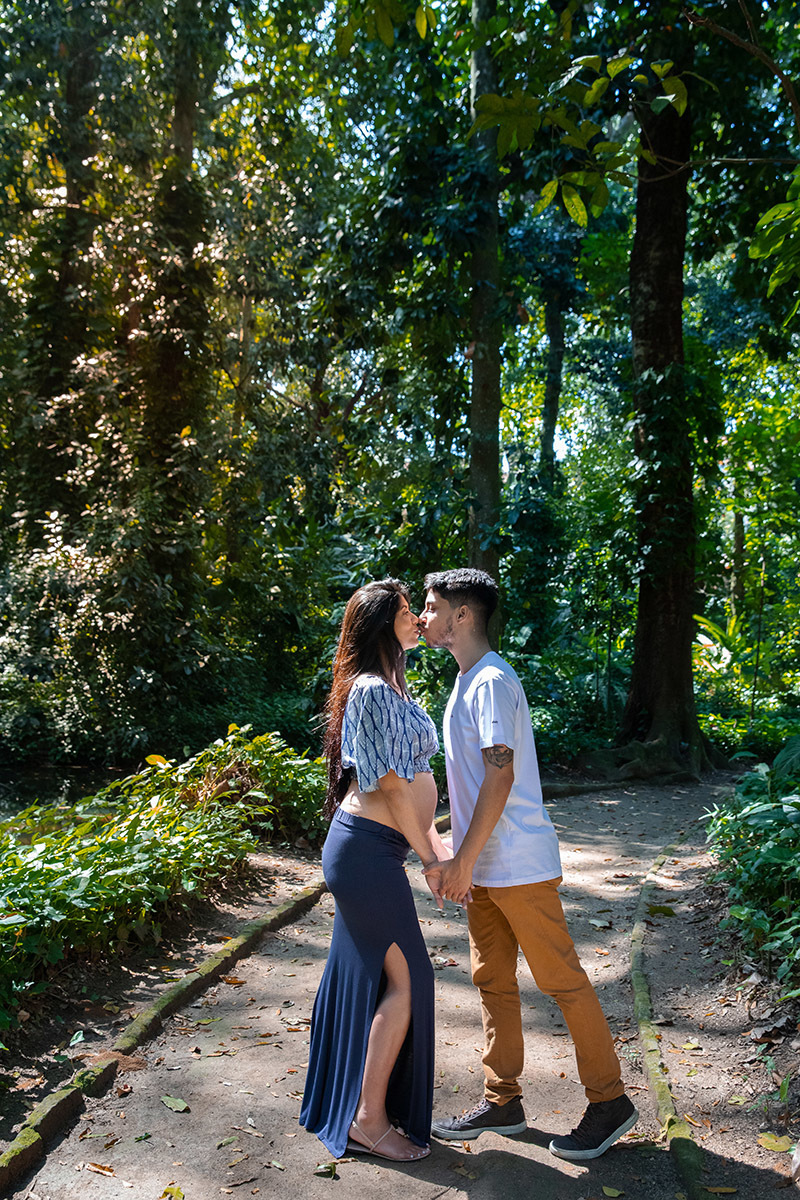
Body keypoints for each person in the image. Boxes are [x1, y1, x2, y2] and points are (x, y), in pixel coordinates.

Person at [420, 568, 638, 1161]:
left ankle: (610, 1101)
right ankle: (502, 1100)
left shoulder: (490, 680)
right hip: (483, 867)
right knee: (491, 981)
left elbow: (500, 772)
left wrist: (462, 859)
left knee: (562, 981)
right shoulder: (466, 681)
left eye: (432, 605)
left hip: (514, 863)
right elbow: (469, 785)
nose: (423, 615)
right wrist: (453, 853)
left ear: (463, 615)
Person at [300, 579, 450, 1163]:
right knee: (411, 979)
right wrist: (433, 859)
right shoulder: (369, 691)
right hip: (367, 851)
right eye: (408, 611)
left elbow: (412, 789)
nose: (416, 619)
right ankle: (366, 1118)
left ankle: (345, 1103)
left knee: (366, 976)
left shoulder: (388, 687)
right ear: (384, 622)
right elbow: (389, 787)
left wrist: (430, 846)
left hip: (373, 850)